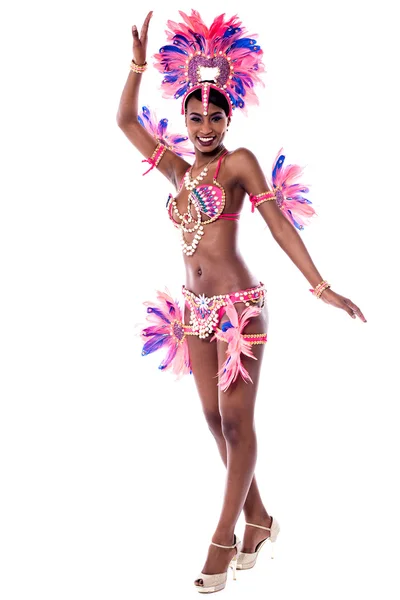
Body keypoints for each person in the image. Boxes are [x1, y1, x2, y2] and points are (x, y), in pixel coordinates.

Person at [116, 10, 367, 594]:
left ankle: (223, 538)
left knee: (236, 423)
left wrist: (321, 285)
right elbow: (125, 119)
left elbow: (277, 223)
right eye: (197, 116)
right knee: (212, 420)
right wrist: (135, 66)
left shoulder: (238, 162)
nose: (206, 125)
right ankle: (260, 522)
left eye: (216, 115)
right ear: (185, 116)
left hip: (239, 310)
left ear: (230, 115)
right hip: (193, 310)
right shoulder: (178, 170)